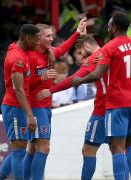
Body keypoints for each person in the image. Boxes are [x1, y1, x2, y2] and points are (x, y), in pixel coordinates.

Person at [72, 12, 131, 180]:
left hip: (114, 104)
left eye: (110, 24)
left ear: (115, 27)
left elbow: (97, 74)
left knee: (116, 148)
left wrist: (79, 80)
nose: (108, 27)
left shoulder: (109, 47)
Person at [37, 34, 108, 180]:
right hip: (122, 106)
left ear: (86, 46)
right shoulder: (111, 51)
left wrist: (50, 90)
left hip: (102, 109)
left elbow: (72, 80)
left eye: (81, 53)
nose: (82, 58)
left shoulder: (96, 58)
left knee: (88, 150)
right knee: (120, 149)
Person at [24, 19, 87, 180]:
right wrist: (42, 77)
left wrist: (78, 32)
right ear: (38, 39)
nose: (52, 39)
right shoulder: (29, 57)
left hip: (45, 107)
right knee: (44, 148)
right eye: (48, 36)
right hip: (36, 106)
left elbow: (63, 48)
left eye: (52, 36)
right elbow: (21, 84)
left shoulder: (49, 52)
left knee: (31, 149)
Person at [0, 24, 40, 180]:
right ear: (26, 38)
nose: (37, 44)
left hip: (19, 107)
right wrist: (30, 115)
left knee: (20, 149)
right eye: (35, 40)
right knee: (19, 151)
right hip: (15, 107)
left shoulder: (20, 50)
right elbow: (19, 90)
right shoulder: (17, 58)